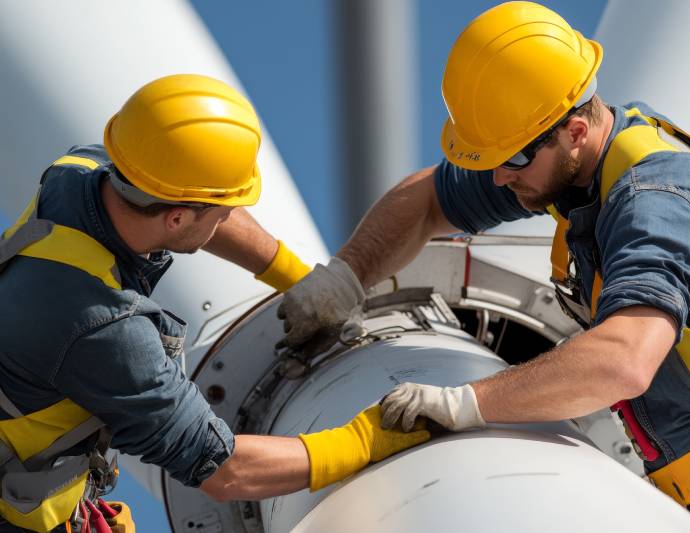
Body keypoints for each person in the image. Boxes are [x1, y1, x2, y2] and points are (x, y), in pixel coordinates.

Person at [277, 2, 690, 530]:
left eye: (513, 160)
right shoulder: (562, 164)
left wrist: (466, 403)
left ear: (574, 131)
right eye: (490, 160)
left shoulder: (655, 199)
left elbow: (623, 361)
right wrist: (344, 279)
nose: (501, 178)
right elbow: (427, 202)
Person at [0, 74, 428, 533]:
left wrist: (296, 278)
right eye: (223, 211)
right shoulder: (103, 326)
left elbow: (194, 202)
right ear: (178, 216)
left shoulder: (84, 170)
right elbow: (225, 470)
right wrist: (364, 440)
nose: (229, 217)